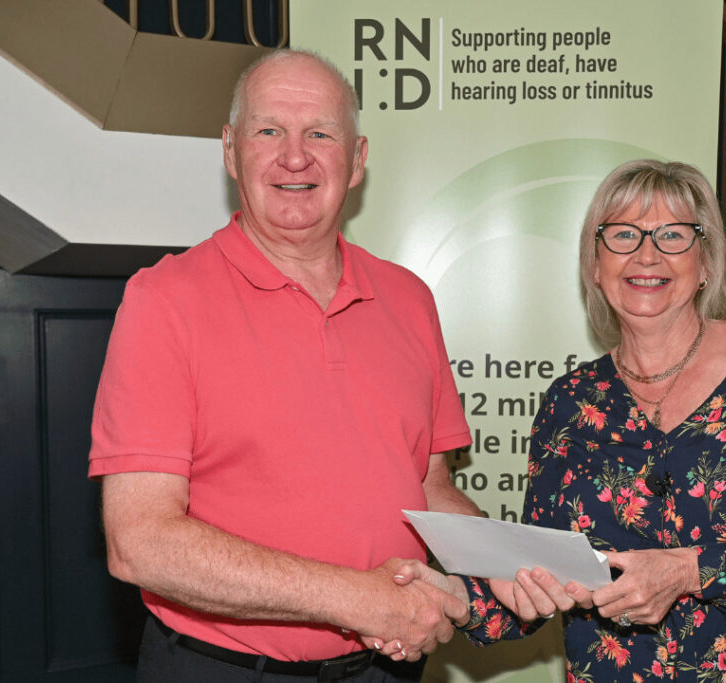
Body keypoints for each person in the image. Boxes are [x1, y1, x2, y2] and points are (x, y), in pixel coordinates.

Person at [399, 159, 726, 681]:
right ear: (594, 265)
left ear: (706, 263)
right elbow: (541, 579)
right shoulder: (570, 403)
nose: (646, 254)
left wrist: (692, 571)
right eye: (623, 235)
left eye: (672, 235)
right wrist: (452, 597)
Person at [88, 49, 482, 683]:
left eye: (320, 134)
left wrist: (508, 567)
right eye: (269, 130)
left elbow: (429, 490)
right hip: (223, 670)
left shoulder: (410, 299)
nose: (294, 155)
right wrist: (360, 598)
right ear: (230, 150)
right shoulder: (163, 301)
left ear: (356, 161)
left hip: (387, 667)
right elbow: (141, 542)